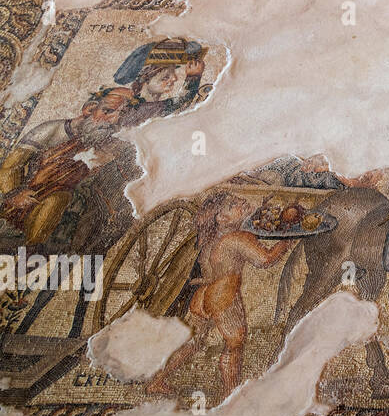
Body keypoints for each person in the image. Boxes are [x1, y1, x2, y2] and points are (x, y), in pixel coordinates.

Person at [147, 192, 290, 397]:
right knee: (234, 344)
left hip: (203, 296)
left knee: (192, 342)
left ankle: (158, 381)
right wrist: (285, 243)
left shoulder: (212, 238)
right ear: (222, 218)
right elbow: (265, 259)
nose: (241, 202)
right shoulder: (238, 238)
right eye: (233, 204)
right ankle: (230, 395)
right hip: (223, 297)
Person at [0, 87, 137, 245]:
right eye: (107, 111)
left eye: (122, 116)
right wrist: (14, 193)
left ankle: (30, 251)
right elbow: (11, 165)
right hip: (15, 198)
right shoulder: (52, 130)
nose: (113, 121)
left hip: (55, 213)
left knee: (56, 201)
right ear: (90, 109)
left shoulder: (111, 150)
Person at [112, 38, 208, 127]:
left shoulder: (143, 105)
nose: (174, 78)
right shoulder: (140, 109)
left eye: (173, 72)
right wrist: (193, 77)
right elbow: (180, 103)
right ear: (145, 80)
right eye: (165, 77)